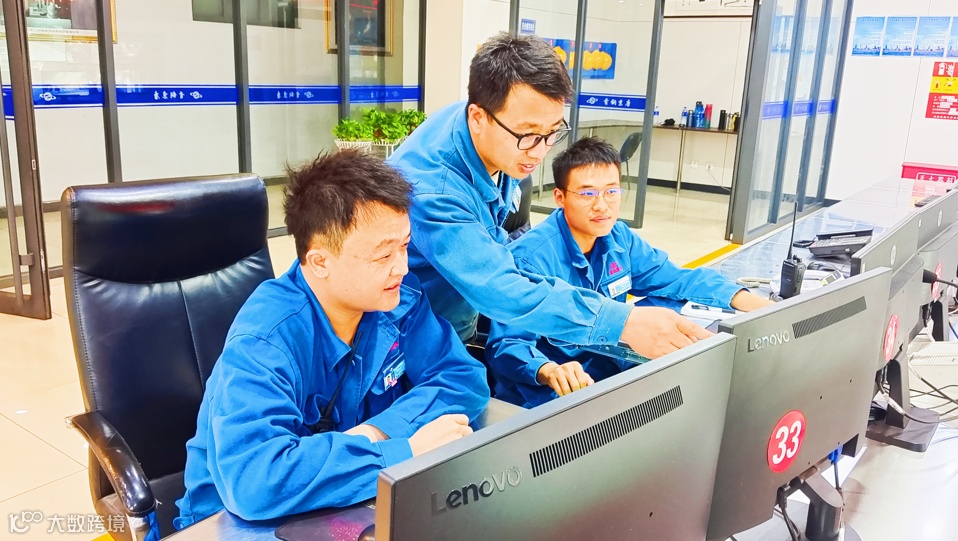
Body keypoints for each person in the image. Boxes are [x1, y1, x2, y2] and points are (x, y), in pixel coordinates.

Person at [174, 150, 489, 528]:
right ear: (320, 261)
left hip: (349, 499)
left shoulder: (396, 299)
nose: (402, 268)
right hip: (235, 523)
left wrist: (377, 432)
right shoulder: (266, 340)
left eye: (404, 245)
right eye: (383, 255)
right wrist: (403, 452)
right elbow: (255, 482)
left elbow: (462, 379)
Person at [387, 33, 710, 360]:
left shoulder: (492, 126)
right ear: (478, 118)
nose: (540, 152)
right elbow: (498, 288)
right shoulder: (435, 190)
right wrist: (621, 322)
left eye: (552, 132)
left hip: (455, 321)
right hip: (411, 341)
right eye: (528, 135)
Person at [486, 137, 775, 408]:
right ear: (560, 197)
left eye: (612, 191)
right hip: (548, 395)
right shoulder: (530, 259)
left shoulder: (618, 238)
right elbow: (507, 345)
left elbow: (677, 279)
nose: (602, 205)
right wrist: (548, 370)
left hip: (610, 372)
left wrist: (759, 306)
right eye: (587, 193)